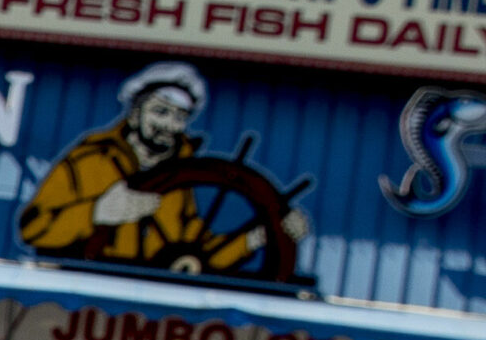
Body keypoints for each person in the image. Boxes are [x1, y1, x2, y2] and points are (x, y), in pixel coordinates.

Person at [16, 60, 311, 275]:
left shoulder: (180, 175)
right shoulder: (89, 160)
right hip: (89, 294)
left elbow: (199, 251)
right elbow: (34, 229)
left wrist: (262, 235)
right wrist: (97, 213)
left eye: (180, 117)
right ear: (134, 113)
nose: (169, 125)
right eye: (160, 112)